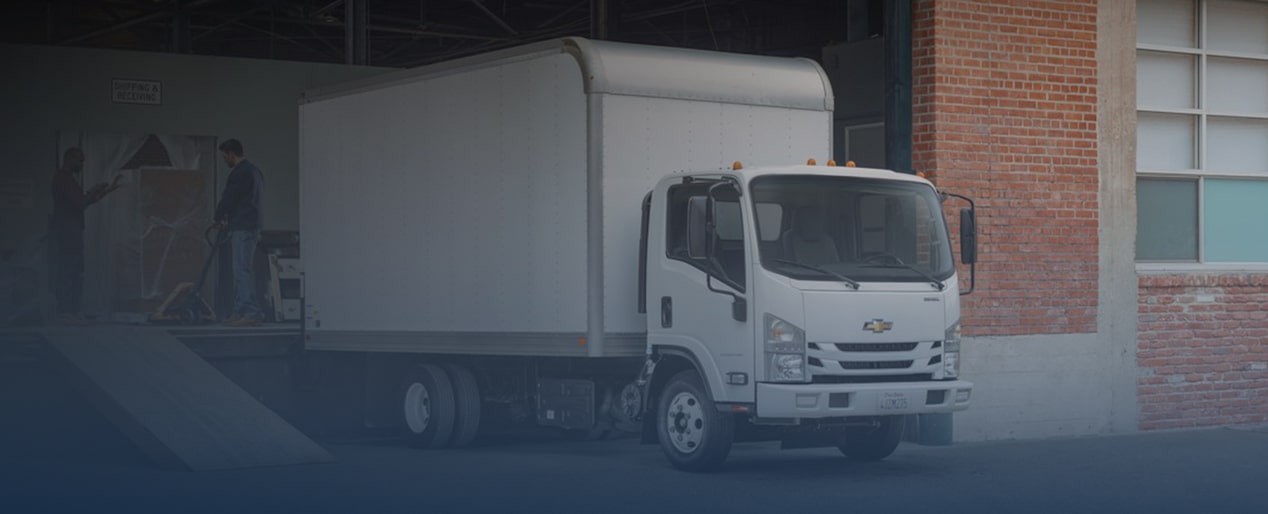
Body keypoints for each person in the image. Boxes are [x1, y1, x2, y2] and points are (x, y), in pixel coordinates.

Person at [49, 147, 122, 324]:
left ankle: (71, 311)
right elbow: (80, 202)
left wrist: (104, 191)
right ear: (70, 159)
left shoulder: (67, 179)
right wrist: (94, 193)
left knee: (74, 270)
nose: (81, 164)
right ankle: (65, 311)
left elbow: (81, 200)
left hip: (71, 230)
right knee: (69, 270)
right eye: (79, 160)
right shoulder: (63, 179)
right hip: (67, 231)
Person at [214, 139, 266, 327]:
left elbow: (229, 198)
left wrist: (218, 216)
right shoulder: (255, 171)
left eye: (225, 156)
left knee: (242, 271)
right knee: (242, 270)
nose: (224, 160)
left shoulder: (239, 173)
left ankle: (251, 312)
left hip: (242, 227)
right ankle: (238, 312)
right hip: (252, 225)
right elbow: (248, 199)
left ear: (231, 154)